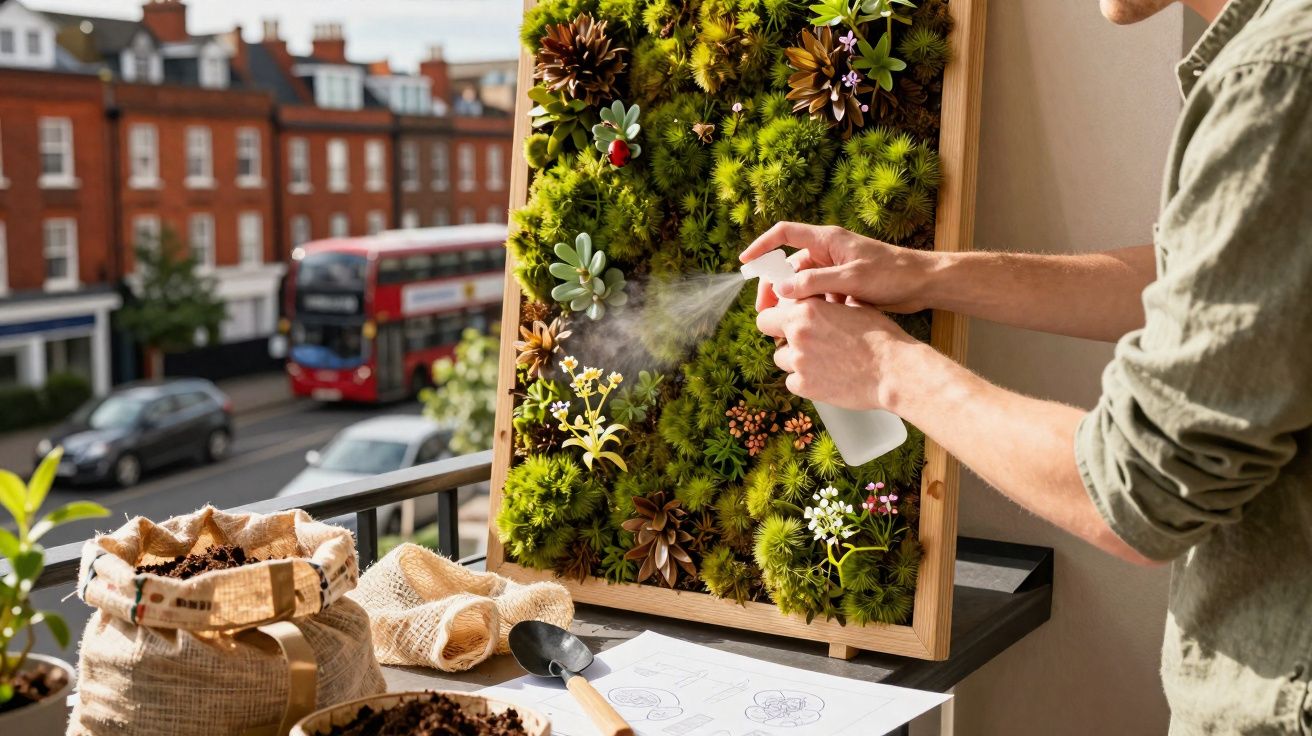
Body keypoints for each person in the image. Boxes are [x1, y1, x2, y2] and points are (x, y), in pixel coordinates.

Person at [741, 0, 1312, 733]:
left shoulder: (1280, 78)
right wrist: (922, 273)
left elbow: (1138, 490)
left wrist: (886, 367)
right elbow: (1204, 284)